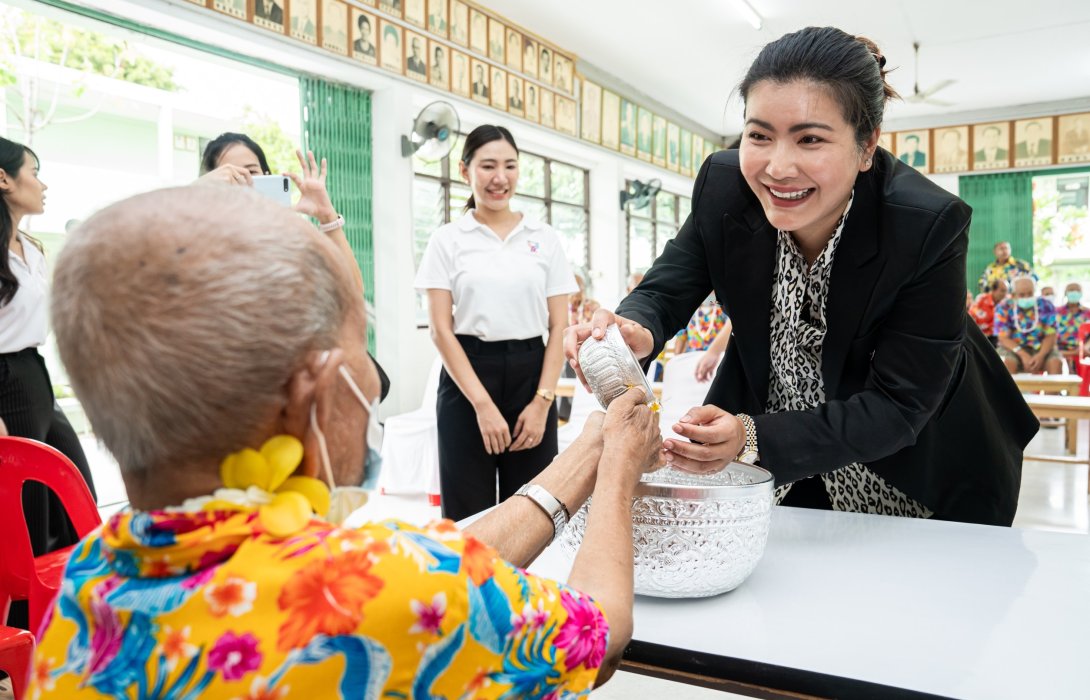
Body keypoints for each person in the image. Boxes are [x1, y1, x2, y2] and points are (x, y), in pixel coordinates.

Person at [31, 185, 662, 697]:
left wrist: (592, 446)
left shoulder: (89, 583)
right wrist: (617, 476)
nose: (373, 379)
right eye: (361, 349)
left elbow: (426, 566)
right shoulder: (397, 589)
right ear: (315, 392)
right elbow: (599, 634)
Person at [564, 26, 1038, 526]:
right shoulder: (724, 187)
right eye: (759, 135)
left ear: (866, 145)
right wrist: (638, 326)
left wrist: (752, 438)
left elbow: (900, 406)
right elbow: (668, 284)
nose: (778, 167)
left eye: (810, 139)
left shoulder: (925, 225)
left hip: (911, 458)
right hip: (776, 447)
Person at [416, 125, 578, 522]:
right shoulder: (447, 239)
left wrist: (543, 403)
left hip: (531, 373)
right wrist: (483, 405)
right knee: (468, 512)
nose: (499, 177)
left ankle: (526, 586)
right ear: (464, 170)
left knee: (533, 511)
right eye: (488, 166)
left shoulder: (544, 238)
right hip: (466, 379)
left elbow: (560, 327)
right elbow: (440, 329)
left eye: (510, 166)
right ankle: (470, 586)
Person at [198, 133, 390, 403]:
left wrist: (326, 216)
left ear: (267, 175)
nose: (244, 181)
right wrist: (196, 191)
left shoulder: (292, 236)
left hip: (311, 391)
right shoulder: (203, 247)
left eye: (252, 172)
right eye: (230, 176)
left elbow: (352, 292)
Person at [0, 136, 97, 631]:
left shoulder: (29, 247)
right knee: (25, 519)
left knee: (74, 496)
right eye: (33, 171)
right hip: (6, 383)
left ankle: (65, 620)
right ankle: (21, 637)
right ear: (4, 179)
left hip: (35, 376)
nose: (42, 183)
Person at [995, 276, 1062, 374]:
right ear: (1013, 295)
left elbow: (1051, 335)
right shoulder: (1004, 307)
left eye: (1030, 293)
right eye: (1022, 295)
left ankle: (1053, 389)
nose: (1026, 297)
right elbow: (1003, 338)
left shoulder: (1046, 305)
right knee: (1006, 363)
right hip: (1013, 349)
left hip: (1041, 348)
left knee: (1056, 362)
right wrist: (1023, 355)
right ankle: (1009, 390)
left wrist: (1041, 355)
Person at [1054, 282, 1090, 368]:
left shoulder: (1087, 313)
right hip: (1060, 348)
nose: (1074, 292)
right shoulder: (1056, 312)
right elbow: (1050, 332)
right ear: (1065, 293)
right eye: (1071, 290)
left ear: (1081, 293)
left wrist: (1085, 347)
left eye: (1077, 290)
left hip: (1082, 349)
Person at [969, 278, 1009, 346]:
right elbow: (971, 318)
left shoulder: (1008, 303)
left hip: (1000, 337)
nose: (1005, 294)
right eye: (1002, 291)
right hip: (982, 337)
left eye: (1006, 291)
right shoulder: (981, 300)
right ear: (993, 290)